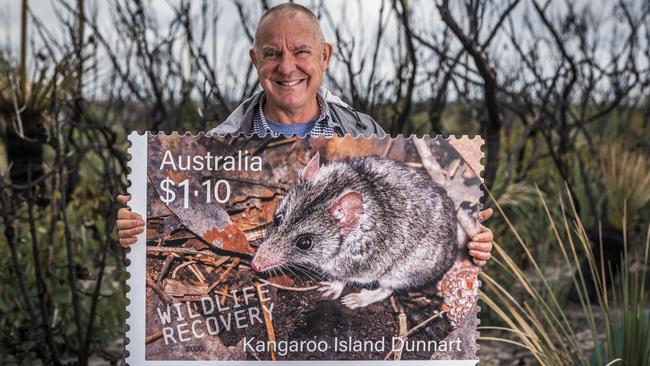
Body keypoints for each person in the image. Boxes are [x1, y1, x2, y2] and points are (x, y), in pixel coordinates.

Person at [117, 3, 494, 267]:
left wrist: (470, 246)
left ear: (324, 56)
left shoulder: (364, 133)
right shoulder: (216, 145)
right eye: (271, 54)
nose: (286, 67)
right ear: (254, 61)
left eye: (301, 52)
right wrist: (140, 227)